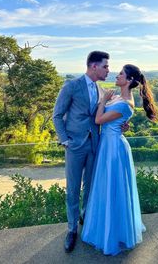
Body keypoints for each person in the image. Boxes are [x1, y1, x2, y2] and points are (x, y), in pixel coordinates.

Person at [81, 64, 158, 256]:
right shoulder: (119, 97)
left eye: (121, 74)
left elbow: (99, 120)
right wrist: (120, 122)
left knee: (113, 187)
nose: (117, 75)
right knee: (107, 187)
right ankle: (107, 226)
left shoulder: (125, 103)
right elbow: (114, 121)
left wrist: (103, 101)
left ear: (130, 80)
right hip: (109, 143)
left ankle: (113, 233)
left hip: (114, 148)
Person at [52, 51, 110, 253]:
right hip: (75, 146)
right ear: (93, 66)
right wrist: (65, 140)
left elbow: (102, 116)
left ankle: (86, 217)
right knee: (73, 189)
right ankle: (71, 229)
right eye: (105, 66)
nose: (108, 70)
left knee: (91, 186)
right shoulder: (71, 86)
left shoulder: (101, 90)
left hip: (94, 144)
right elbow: (57, 115)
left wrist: (122, 125)